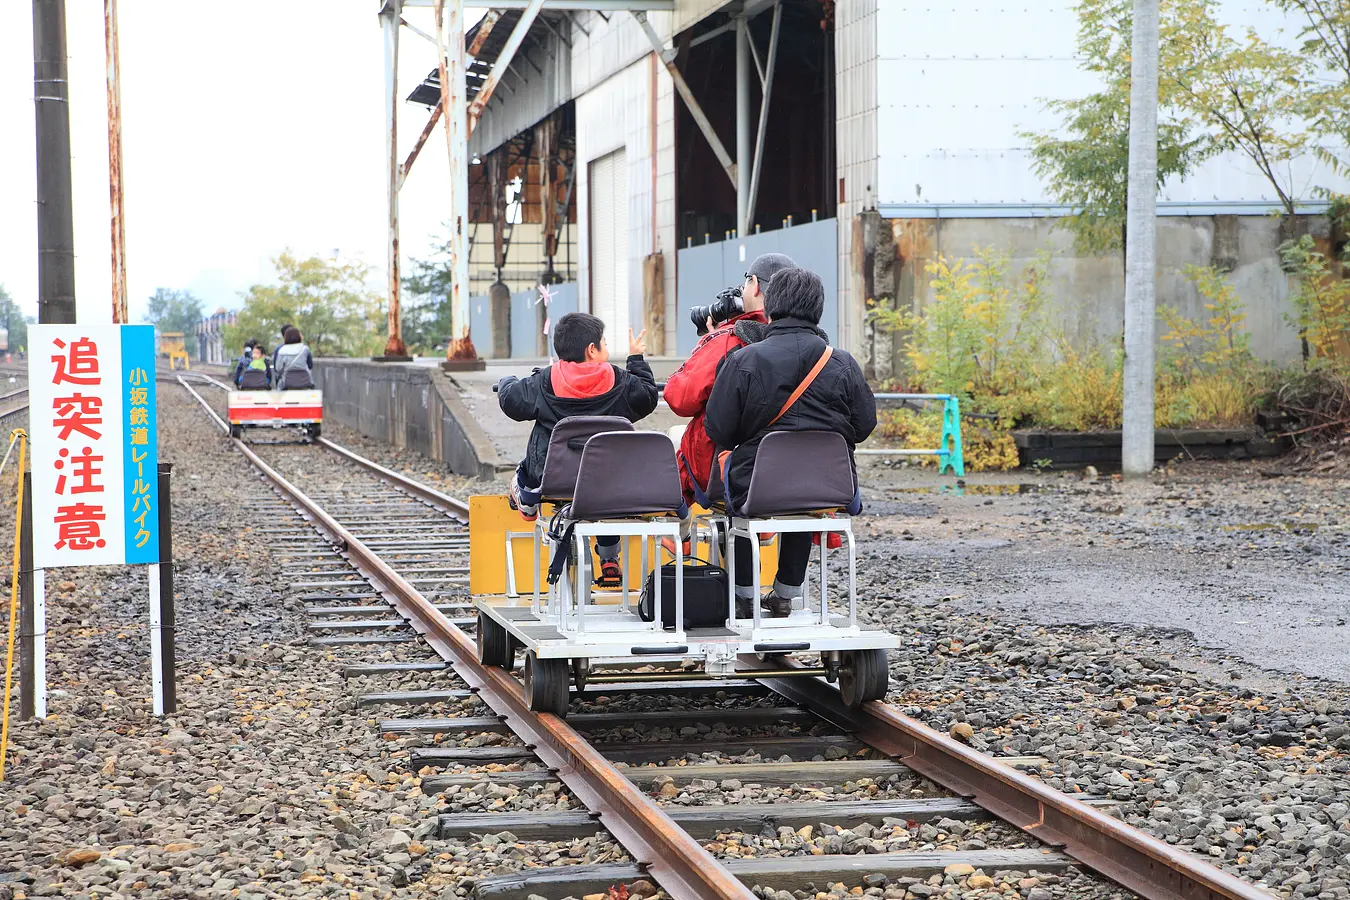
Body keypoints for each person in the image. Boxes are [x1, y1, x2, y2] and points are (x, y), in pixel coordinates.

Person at [704, 267, 877, 618]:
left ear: (772, 305)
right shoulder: (841, 362)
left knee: (744, 498)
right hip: (830, 485)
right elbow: (864, 424)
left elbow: (718, 429)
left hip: (757, 484)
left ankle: (744, 595)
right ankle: (786, 594)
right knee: (802, 495)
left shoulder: (744, 360)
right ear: (818, 308)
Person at [496, 313, 658, 587]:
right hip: (608, 482)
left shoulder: (544, 381)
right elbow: (648, 396)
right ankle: (608, 559)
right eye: (604, 342)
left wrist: (506, 382)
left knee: (534, 454)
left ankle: (526, 495)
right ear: (592, 350)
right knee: (603, 504)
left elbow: (512, 401)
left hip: (553, 479)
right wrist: (635, 359)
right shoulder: (620, 381)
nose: (606, 347)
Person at [664, 253, 796, 522]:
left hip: (729, 470)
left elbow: (679, 399)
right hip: (800, 474)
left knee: (675, 437)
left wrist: (711, 339)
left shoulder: (730, 341)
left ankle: (679, 534)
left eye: (745, 283)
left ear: (756, 284)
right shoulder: (816, 347)